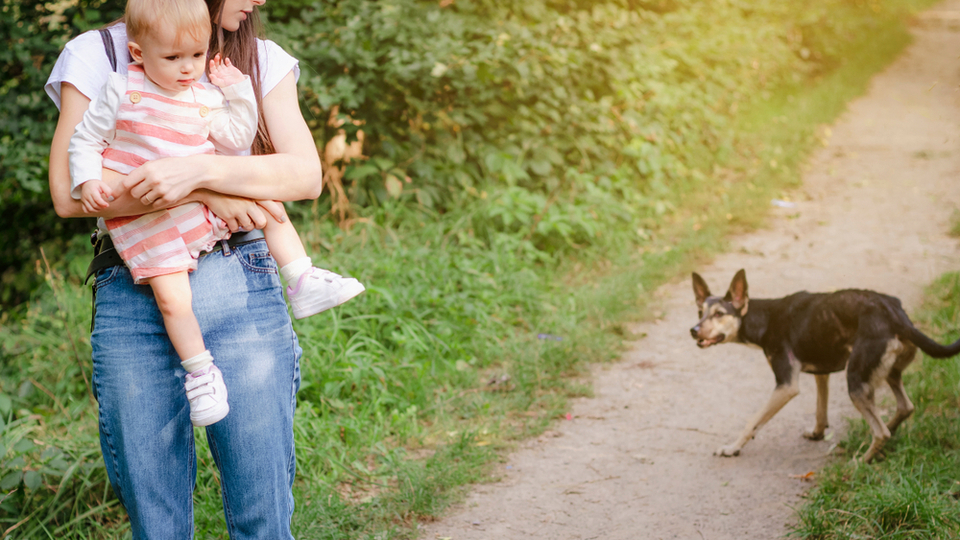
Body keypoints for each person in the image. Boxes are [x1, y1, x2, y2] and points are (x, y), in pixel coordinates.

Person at [45, 0, 322, 536]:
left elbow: (304, 176)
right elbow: (67, 193)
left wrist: (195, 176)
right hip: (136, 289)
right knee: (158, 522)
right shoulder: (96, 54)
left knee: (263, 512)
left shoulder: (260, 59)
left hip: (241, 274)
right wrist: (209, 190)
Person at [67, 0, 364, 428]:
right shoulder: (118, 82)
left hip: (227, 243)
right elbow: (83, 156)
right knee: (174, 301)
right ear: (139, 53)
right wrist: (93, 181)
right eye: (175, 58)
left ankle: (302, 277)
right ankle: (201, 374)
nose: (188, 67)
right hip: (150, 229)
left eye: (196, 55)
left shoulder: (205, 90)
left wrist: (237, 93)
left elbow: (243, 142)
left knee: (267, 203)